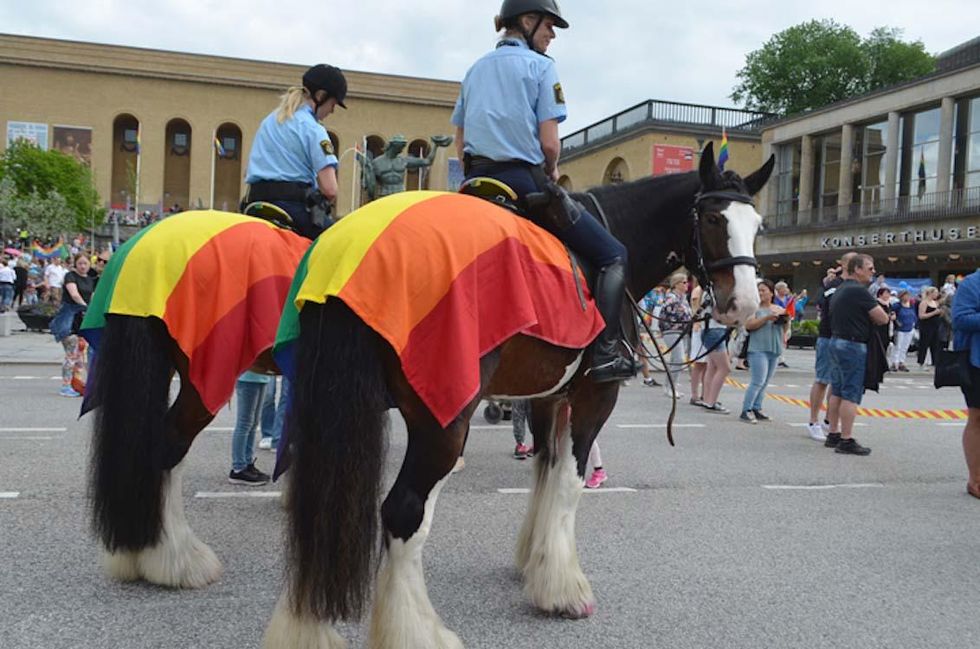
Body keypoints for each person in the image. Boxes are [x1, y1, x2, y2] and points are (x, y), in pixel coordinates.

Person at [451, 0, 634, 383]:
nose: (552, 35)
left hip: (474, 184)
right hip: (522, 181)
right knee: (613, 254)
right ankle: (605, 353)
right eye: (548, 25)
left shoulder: (474, 69)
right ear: (527, 21)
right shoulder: (541, 67)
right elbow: (550, 143)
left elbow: (460, 139)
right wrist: (551, 172)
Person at [244, 63, 347, 240]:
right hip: (293, 209)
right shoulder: (313, 129)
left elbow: (249, 170)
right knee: (341, 243)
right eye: (333, 103)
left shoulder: (269, 121)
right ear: (321, 96)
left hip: (255, 204)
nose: (332, 110)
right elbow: (330, 189)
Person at [825, 254, 890, 455]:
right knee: (851, 393)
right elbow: (883, 318)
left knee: (837, 390)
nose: (873, 271)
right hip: (853, 344)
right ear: (857, 269)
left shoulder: (841, 288)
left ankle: (833, 433)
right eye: (870, 268)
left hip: (836, 341)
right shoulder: (859, 291)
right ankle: (846, 439)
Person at [806, 252, 857, 442]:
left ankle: (829, 420)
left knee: (838, 382)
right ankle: (813, 421)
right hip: (829, 337)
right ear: (842, 264)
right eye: (852, 262)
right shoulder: (832, 285)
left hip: (846, 339)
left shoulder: (856, 286)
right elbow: (825, 305)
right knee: (822, 379)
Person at [950, 269, 980, 499]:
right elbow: (960, 319)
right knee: (977, 418)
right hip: (976, 362)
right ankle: (976, 480)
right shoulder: (972, 283)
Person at [739, 279, 785, 424]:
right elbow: (749, 325)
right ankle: (746, 409)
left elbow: (785, 329)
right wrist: (766, 318)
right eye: (758, 290)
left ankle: (757, 407)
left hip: (774, 347)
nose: (760, 293)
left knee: (765, 382)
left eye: (763, 290)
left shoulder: (778, 308)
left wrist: (785, 319)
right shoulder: (754, 309)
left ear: (771, 293)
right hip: (758, 348)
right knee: (757, 381)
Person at [54, 254, 98, 397]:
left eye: (85, 263)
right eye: (80, 263)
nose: (83, 266)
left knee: (79, 355)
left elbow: (92, 296)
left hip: (82, 319)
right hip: (69, 318)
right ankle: (66, 386)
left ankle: (76, 384)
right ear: (75, 264)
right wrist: (86, 307)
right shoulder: (70, 276)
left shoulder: (90, 279)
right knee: (71, 354)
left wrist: (92, 309)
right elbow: (74, 294)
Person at [229, 371, 273, 485]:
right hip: (247, 378)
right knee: (244, 423)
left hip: (262, 376)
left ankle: (247, 463)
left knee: (253, 423)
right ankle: (238, 468)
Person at [658, 273, 691, 399]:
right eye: (684, 282)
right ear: (676, 284)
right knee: (678, 360)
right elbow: (668, 315)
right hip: (672, 331)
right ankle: (671, 387)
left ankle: (669, 386)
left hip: (681, 331)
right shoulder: (672, 299)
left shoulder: (682, 298)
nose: (687, 284)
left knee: (675, 360)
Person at [699, 292, 732, 414]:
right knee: (725, 368)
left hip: (710, 330)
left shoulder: (708, 292)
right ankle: (711, 402)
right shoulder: (716, 292)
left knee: (712, 367)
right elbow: (718, 314)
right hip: (715, 331)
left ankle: (708, 399)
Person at [688, 275, 708, 405]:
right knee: (699, 363)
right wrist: (697, 320)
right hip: (699, 327)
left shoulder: (709, 290)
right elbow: (695, 307)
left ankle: (705, 394)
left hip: (708, 328)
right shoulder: (698, 290)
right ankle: (694, 394)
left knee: (707, 364)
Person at [917, 286, 943, 370]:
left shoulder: (935, 303)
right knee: (924, 344)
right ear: (930, 293)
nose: (937, 294)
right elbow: (921, 316)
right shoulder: (924, 303)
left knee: (935, 345)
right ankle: (921, 362)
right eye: (935, 293)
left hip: (935, 326)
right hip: (926, 326)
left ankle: (935, 362)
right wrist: (934, 313)